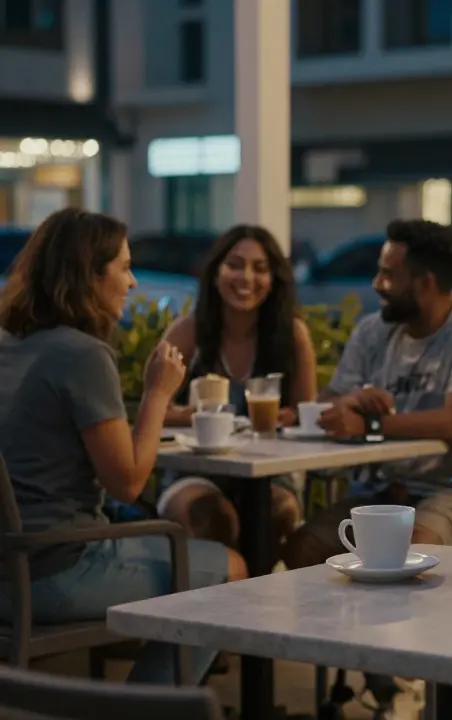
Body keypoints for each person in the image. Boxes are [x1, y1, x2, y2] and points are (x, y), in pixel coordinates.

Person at [0, 208, 247, 685]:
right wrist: (158, 393)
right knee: (231, 572)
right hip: (54, 570)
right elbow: (128, 482)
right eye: (124, 267)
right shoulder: (83, 355)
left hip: (9, 567)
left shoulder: (8, 344)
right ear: (89, 275)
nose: (133, 282)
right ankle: (142, 706)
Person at [282, 218, 452, 562]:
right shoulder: (372, 332)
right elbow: (327, 401)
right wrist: (351, 400)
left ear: (425, 283)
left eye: (388, 275)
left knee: (412, 553)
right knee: (305, 548)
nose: (377, 284)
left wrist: (368, 426)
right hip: (380, 489)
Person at [155, 225, 316, 556]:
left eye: (260, 268)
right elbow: (152, 409)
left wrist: (292, 418)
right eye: (235, 265)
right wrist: (197, 417)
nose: (247, 278)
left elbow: (307, 414)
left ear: (274, 279)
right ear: (215, 274)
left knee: (274, 514)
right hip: (196, 470)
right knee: (211, 519)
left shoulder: (292, 336)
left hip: (271, 471)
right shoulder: (188, 332)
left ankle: (256, 589)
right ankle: (224, 584)